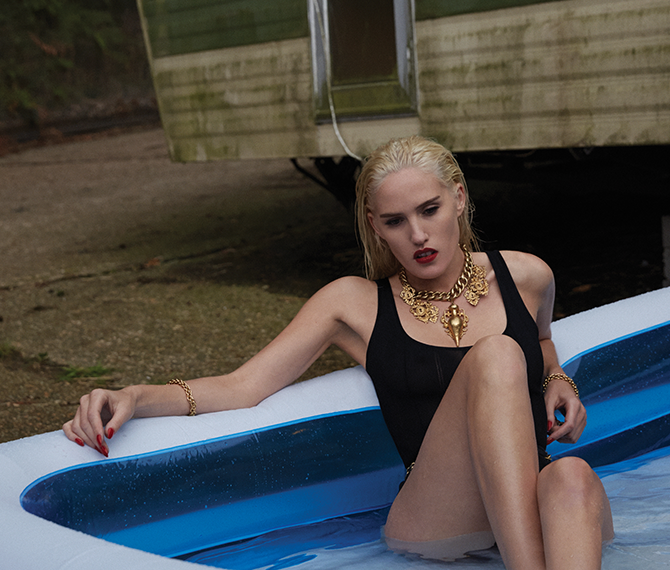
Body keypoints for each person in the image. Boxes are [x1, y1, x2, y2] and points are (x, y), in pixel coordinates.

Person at [63, 136, 613, 569]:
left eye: (429, 209)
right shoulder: (354, 304)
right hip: (439, 516)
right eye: (396, 221)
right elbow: (243, 386)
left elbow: (540, 341)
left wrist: (559, 376)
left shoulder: (527, 276)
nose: (418, 235)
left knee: (574, 478)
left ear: (460, 198)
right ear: (375, 226)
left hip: (533, 496)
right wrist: (133, 394)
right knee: (494, 356)